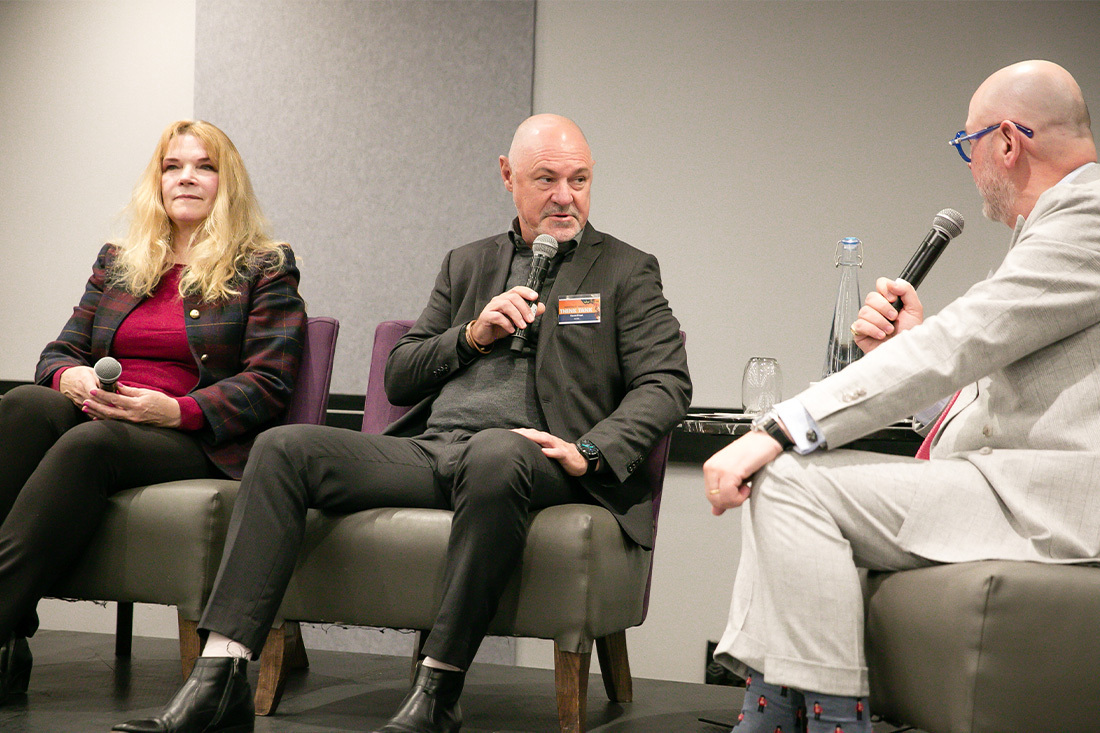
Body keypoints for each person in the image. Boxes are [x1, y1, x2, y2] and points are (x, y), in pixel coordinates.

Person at [112, 113, 691, 733]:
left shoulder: (625, 271)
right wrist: (472, 335)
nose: (565, 197)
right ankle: (220, 680)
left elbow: (666, 383)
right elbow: (401, 374)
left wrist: (589, 451)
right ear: (508, 176)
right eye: (546, 179)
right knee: (282, 449)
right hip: (435, 450)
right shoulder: (467, 263)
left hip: (538, 457)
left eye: (579, 180)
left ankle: (438, 691)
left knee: (496, 452)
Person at [702, 59, 1099, 733]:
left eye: (968, 145)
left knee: (788, 473)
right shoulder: (1059, 223)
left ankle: (822, 721)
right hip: (1011, 485)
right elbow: (993, 387)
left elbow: (960, 340)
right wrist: (905, 347)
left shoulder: (1088, 217)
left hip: (1050, 505)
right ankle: (772, 713)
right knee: (784, 477)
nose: (969, 166)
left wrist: (779, 426)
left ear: (1007, 141)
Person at [0, 120, 306, 706]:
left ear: (227, 182)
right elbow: (59, 351)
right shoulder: (119, 260)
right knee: (21, 407)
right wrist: (70, 377)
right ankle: (9, 631)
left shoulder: (264, 266)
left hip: (189, 435)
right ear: (157, 180)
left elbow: (269, 383)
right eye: (173, 166)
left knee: (90, 445)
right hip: (103, 411)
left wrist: (177, 410)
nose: (186, 177)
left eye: (204, 166)